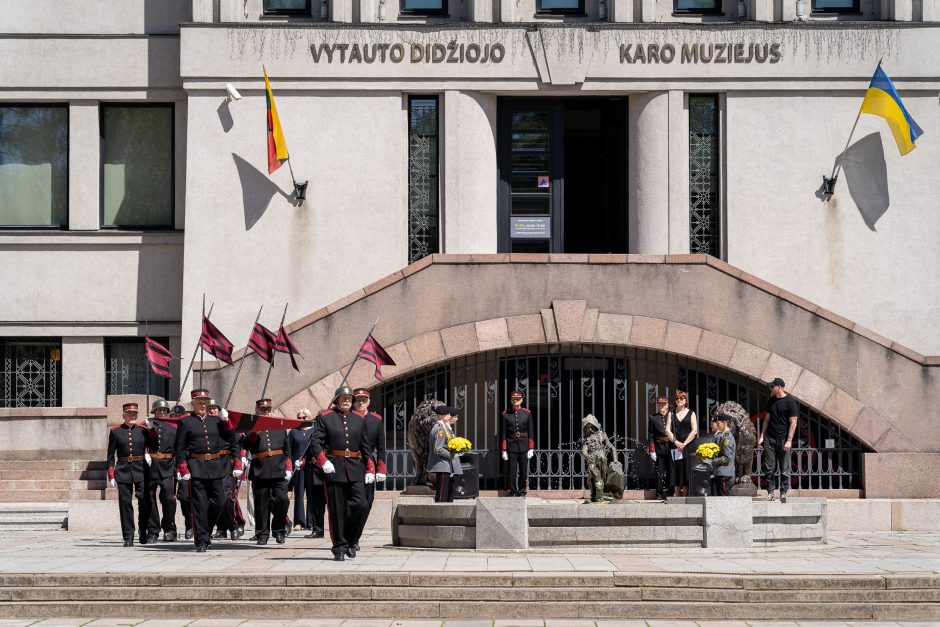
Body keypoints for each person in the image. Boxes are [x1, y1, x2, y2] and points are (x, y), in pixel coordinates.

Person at [309, 385, 373, 561]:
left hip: (355, 468)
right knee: (337, 511)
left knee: (361, 505)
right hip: (334, 468)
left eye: (349, 399)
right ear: (336, 400)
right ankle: (339, 547)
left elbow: (366, 447)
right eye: (343, 398)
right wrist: (323, 461)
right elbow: (316, 442)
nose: (346, 401)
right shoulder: (325, 417)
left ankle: (352, 540)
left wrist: (370, 468)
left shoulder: (359, 419)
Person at [174, 388, 240, 552]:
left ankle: (205, 531)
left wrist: (227, 422)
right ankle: (202, 540)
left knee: (220, 501)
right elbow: (179, 448)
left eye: (205, 402)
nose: (202, 404)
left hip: (216, 467)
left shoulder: (216, 421)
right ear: (193, 403)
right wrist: (183, 469)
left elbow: (232, 439)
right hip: (196, 468)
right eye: (199, 401)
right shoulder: (185, 422)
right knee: (199, 506)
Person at [243, 398, 293, 545]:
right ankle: (262, 534)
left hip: (278, 469)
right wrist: (254, 433)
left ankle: (279, 531)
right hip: (260, 469)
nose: (266, 412)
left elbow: (287, 450)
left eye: (268, 409)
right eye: (262, 409)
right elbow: (245, 444)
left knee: (282, 500)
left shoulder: (280, 426)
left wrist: (288, 467)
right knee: (261, 504)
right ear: (257, 410)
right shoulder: (250, 426)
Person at [106, 403, 152, 547]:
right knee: (125, 504)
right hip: (123, 469)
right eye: (130, 414)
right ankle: (128, 536)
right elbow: (110, 455)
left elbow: (154, 445)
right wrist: (111, 474)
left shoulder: (143, 430)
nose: (133, 416)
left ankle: (143, 530)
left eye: (135, 414)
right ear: (123, 415)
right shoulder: (115, 431)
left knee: (144, 502)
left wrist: (152, 431)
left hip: (141, 469)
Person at [350, 388, 386, 550]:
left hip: (367, 466)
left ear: (369, 401)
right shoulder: (347, 418)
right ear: (353, 402)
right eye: (358, 400)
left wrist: (381, 469)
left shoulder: (376, 420)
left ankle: (356, 536)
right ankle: (349, 535)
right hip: (350, 463)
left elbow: (381, 447)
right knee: (353, 503)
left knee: (367, 502)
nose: (361, 402)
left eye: (364, 400)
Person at [208, 399, 245, 541]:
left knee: (228, 499)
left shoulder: (225, 423)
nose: (212, 411)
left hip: (226, 466)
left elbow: (235, 442)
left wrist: (238, 464)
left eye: (214, 409)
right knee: (213, 500)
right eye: (210, 409)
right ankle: (219, 528)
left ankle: (234, 526)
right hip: (209, 466)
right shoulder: (204, 425)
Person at [758, 377, 799, 503]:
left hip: (783, 439)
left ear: (780, 387)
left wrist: (789, 440)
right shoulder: (771, 400)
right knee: (769, 467)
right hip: (770, 439)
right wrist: (761, 436)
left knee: (784, 469)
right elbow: (766, 419)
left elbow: (793, 423)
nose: (770, 388)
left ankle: (783, 492)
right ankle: (770, 492)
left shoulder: (790, 402)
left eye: (772, 386)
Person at [144, 399, 178, 543]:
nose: (162, 412)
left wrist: (180, 468)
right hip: (151, 466)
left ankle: (169, 529)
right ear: (154, 411)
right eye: (159, 410)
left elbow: (179, 447)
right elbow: (141, 442)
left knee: (169, 499)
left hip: (168, 465)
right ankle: (153, 531)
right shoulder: (147, 425)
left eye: (164, 410)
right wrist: (145, 452)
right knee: (149, 499)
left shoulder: (173, 427)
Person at [288, 409, 318, 534]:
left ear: (309, 417)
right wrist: (291, 462)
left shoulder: (314, 430)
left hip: (310, 465)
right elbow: (288, 449)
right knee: (299, 493)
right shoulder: (294, 432)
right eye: (299, 417)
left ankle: (311, 521)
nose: (301, 420)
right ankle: (299, 521)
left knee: (312, 493)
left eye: (304, 417)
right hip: (298, 466)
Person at [500, 391, 534, 497]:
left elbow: (531, 432)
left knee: (523, 471)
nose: (516, 401)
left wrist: (531, 448)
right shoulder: (505, 414)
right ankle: (514, 491)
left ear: (522, 400)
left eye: (518, 399)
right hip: (511, 446)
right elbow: (504, 433)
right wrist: (504, 450)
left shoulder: (527, 413)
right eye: (514, 399)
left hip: (524, 446)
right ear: (511, 400)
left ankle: (522, 490)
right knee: (512, 471)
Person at [426, 405, 462, 503]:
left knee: (446, 493)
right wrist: (451, 455)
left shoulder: (443, 428)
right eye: (448, 415)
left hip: (445, 465)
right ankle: (439, 515)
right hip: (442, 464)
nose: (450, 417)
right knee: (442, 495)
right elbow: (438, 449)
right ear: (442, 416)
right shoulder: (440, 429)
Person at [665, 391, 698, 497]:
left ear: (686, 401)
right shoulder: (671, 413)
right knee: (676, 471)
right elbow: (667, 430)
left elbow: (694, 431)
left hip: (687, 447)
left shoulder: (691, 413)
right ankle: (677, 496)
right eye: (677, 399)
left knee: (686, 471)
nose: (679, 400)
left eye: (682, 398)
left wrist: (684, 443)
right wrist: (676, 442)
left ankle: (686, 496)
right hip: (675, 446)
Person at [169, 404, 194, 540]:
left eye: (180, 416)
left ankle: (190, 525)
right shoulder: (168, 428)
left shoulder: (189, 427)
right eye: (175, 416)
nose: (177, 418)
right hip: (170, 466)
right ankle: (171, 529)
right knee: (173, 498)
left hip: (186, 465)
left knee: (186, 497)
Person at [647, 397, 673, 500]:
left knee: (671, 471)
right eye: (660, 404)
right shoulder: (653, 418)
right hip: (659, 447)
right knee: (659, 471)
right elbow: (651, 435)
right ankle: (659, 493)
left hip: (671, 446)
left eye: (664, 404)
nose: (662, 406)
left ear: (667, 405)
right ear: (658, 405)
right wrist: (652, 449)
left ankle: (670, 492)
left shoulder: (672, 416)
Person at [707, 414, 736, 496]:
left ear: (725, 423)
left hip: (724, 474)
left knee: (724, 500)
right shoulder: (723, 436)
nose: (717, 425)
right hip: (721, 473)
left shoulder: (727, 438)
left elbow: (726, 458)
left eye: (719, 423)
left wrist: (712, 461)